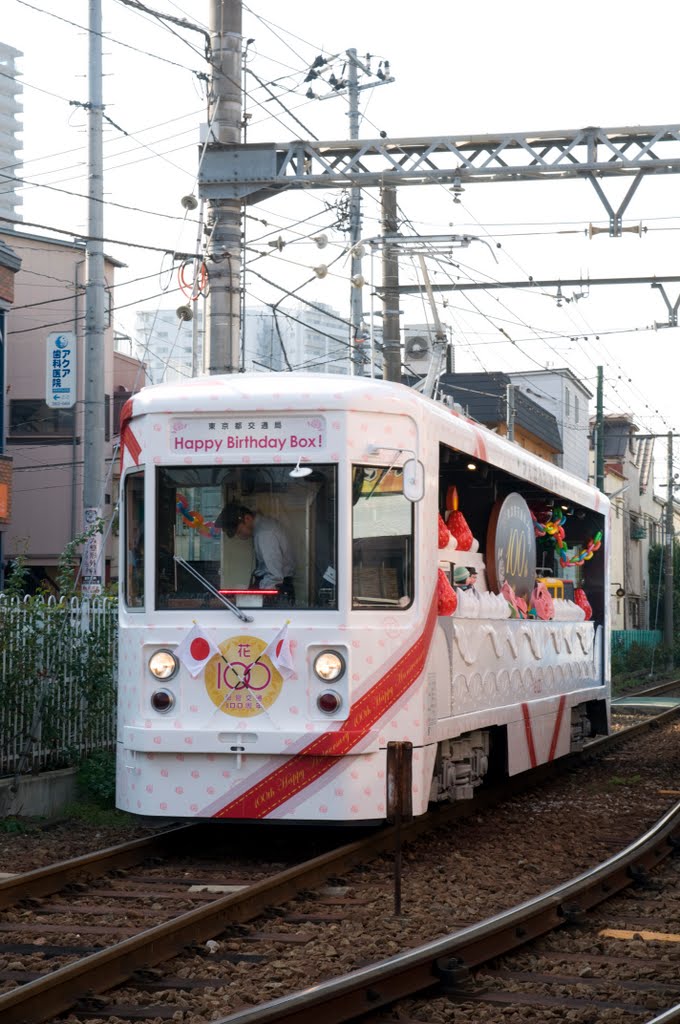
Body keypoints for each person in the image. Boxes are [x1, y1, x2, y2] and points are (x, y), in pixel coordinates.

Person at [215, 503, 295, 606]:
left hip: (275, 590)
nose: (240, 536)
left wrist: (259, 599)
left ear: (247, 518)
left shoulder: (265, 534)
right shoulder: (263, 529)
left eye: (239, 531)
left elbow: (275, 576)